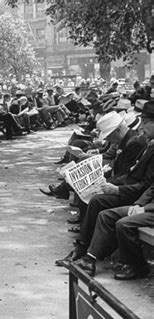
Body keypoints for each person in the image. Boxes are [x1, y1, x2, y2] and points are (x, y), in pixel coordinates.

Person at [56, 102, 154, 265]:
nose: (141, 128)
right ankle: (85, 250)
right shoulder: (143, 142)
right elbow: (132, 174)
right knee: (94, 198)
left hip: (137, 195)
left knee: (98, 201)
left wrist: (119, 191)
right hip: (136, 192)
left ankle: (85, 250)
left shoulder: (137, 142)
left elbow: (144, 183)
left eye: (145, 123)